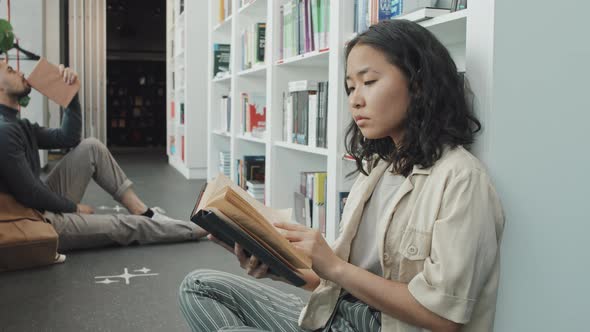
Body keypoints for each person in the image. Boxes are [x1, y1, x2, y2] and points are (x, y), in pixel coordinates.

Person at [178, 19, 505, 332]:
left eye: (369, 82)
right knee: (199, 285)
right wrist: (277, 265)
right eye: (350, 87)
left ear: (418, 85)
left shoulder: (461, 178)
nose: (356, 100)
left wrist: (332, 265)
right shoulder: (379, 169)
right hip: (336, 316)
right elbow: (338, 282)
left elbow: (443, 318)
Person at [0, 60, 207, 252]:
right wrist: (74, 208)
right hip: (34, 220)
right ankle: (195, 229)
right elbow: (29, 193)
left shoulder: (18, 124)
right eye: (10, 70)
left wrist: (71, 96)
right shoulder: (4, 129)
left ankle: (143, 212)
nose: (20, 71)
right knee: (123, 226)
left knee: (92, 146)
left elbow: (68, 138)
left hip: (39, 206)